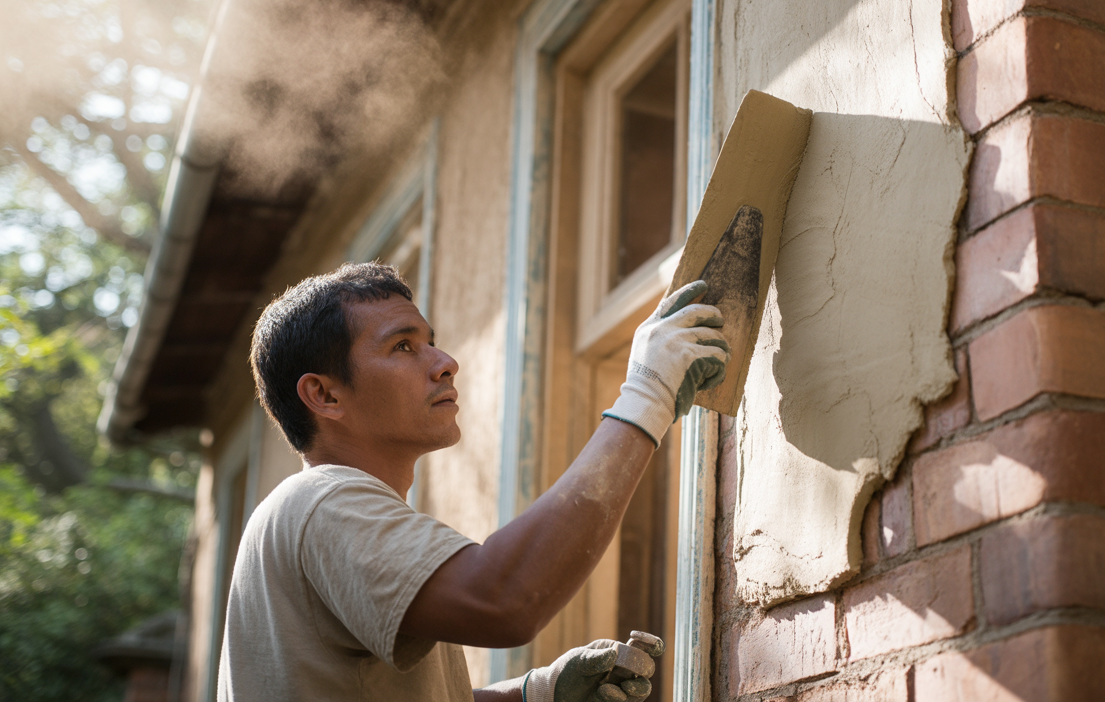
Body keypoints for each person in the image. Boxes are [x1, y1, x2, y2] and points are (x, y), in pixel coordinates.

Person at [217, 262, 729, 702]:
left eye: (431, 343)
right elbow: (504, 600)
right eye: (402, 346)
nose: (445, 364)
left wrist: (534, 693)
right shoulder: (323, 501)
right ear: (324, 396)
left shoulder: (311, 512)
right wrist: (648, 394)